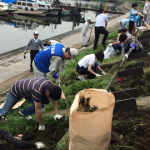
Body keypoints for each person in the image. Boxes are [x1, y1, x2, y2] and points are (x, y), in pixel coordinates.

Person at [0, 77, 65, 131]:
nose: (51, 99)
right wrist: (41, 124)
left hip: (28, 91)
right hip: (16, 90)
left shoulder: (51, 85)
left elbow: (55, 100)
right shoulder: (37, 91)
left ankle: (23, 112)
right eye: (51, 98)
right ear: (47, 92)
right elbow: (37, 110)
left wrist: (56, 114)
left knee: (41, 106)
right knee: (4, 112)